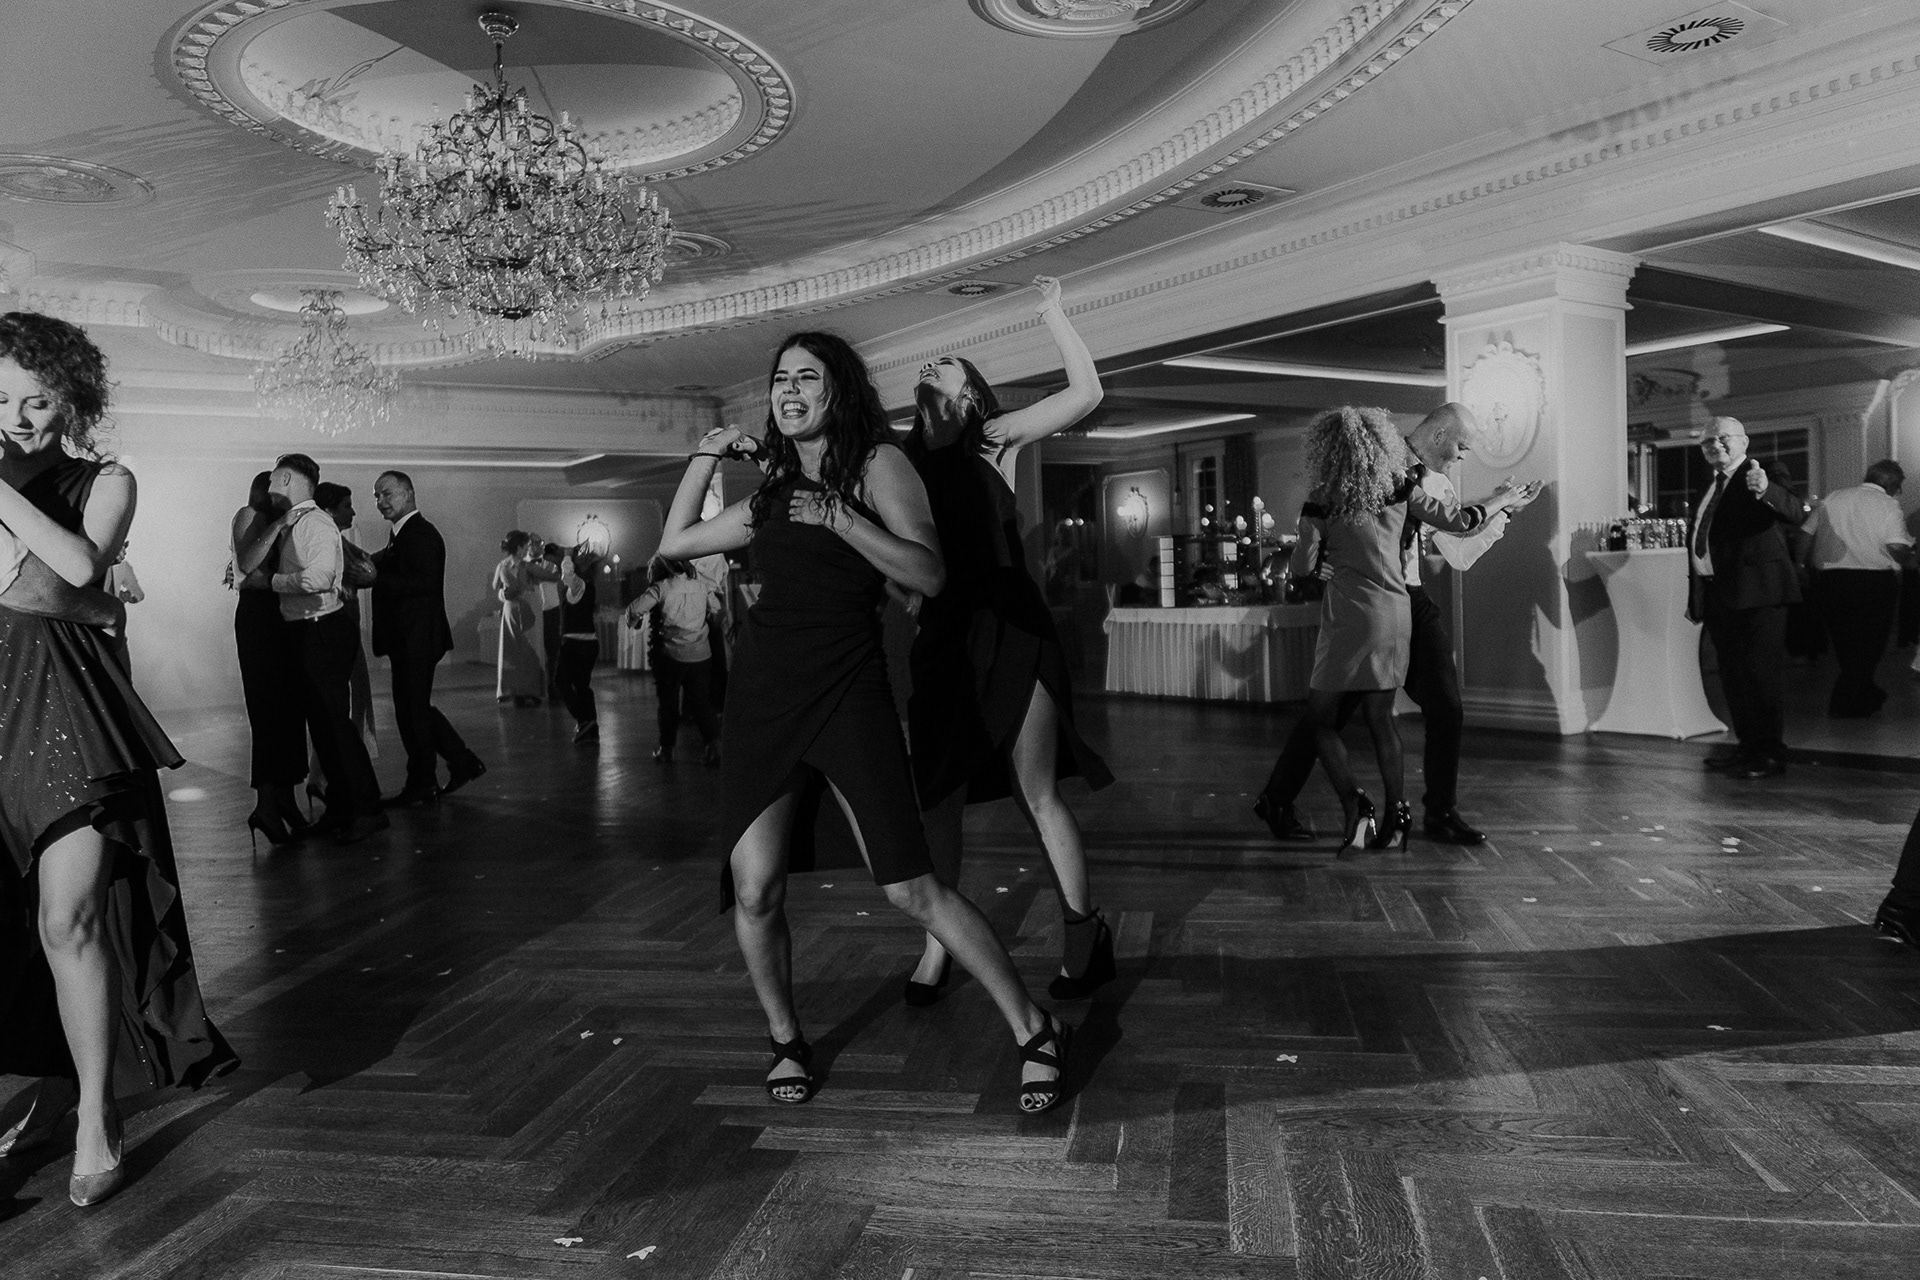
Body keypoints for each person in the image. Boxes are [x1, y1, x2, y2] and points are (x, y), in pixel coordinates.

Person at [656, 330, 1069, 1113]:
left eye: (806, 377)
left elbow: (930, 572)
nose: (788, 389)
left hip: (849, 693)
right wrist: (705, 456)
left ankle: (1035, 1027)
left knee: (911, 887)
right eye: (780, 378)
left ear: (837, 390)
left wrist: (840, 518)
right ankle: (786, 1039)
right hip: (763, 701)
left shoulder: (879, 465)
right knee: (755, 890)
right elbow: (675, 542)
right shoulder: (775, 489)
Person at [0, 310, 238, 1206]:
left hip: (64, 714)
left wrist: (85, 595)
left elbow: (70, 569)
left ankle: (97, 1115)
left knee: (70, 920)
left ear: (71, 398)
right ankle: (54, 1083)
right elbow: (67, 594)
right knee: (18, 929)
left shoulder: (106, 480)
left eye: (36, 399)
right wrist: (91, 603)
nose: (17, 418)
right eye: (0, 401)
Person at [901, 274, 1116, 1006]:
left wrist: (1055, 313)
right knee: (937, 797)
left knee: (1035, 791)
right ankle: (939, 945)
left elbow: (1085, 393)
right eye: (929, 362)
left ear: (970, 395)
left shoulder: (992, 437)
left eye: (945, 364)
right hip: (944, 635)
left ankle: (1085, 935)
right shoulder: (903, 464)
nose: (930, 363)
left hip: (1009, 625)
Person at [1253, 403, 1538, 846]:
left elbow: (1459, 549)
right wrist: (1325, 561)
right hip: (1370, 601)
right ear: (1440, 436)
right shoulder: (1377, 469)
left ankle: (1439, 813)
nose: (1462, 457)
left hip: (1408, 601)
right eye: (1462, 447)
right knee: (1332, 715)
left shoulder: (1434, 483)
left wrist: (1503, 508)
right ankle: (1278, 799)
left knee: (1445, 706)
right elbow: (1322, 539)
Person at [266, 454, 388, 843]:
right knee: (324, 727)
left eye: (273, 479)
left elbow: (320, 577)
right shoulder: (298, 522)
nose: (269, 486)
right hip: (310, 630)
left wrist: (272, 582)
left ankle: (369, 810)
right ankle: (341, 809)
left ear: (287, 479)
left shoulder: (315, 522)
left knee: (335, 726)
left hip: (322, 630)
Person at [1687, 417, 1807, 779]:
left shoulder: (1764, 471)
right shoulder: (1710, 485)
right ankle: (1747, 748)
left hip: (1758, 593)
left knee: (1760, 677)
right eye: (1707, 442)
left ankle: (1770, 754)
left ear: (1744, 441)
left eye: (1723, 438)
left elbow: (1793, 510)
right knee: (1733, 677)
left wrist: (1765, 489)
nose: (1715, 446)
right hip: (1720, 593)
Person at [369, 471, 484, 805]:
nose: (380, 501)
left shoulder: (421, 534)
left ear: (409, 493)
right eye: (376, 496)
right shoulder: (402, 535)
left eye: (387, 493)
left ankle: (425, 780)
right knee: (413, 709)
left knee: (412, 711)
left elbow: (424, 583)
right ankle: (459, 763)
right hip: (410, 637)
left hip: (417, 637)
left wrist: (375, 577)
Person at [229, 468, 310, 846]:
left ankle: (286, 798)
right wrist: (278, 525)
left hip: (283, 616)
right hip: (258, 619)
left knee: (291, 711)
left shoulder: (285, 520)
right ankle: (265, 804)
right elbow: (247, 563)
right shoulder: (249, 515)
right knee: (267, 711)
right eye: (276, 487)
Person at [1803, 460, 1911, 717]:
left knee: (1845, 643)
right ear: (1890, 482)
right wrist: (1908, 555)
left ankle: (1866, 695)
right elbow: (1896, 546)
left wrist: (1800, 565)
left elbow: (1805, 533)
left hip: (1832, 581)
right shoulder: (1887, 504)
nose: (1898, 491)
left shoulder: (1833, 497)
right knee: (1871, 644)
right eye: (1898, 485)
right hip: (1873, 582)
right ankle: (1845, 703)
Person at [626, 554, 723, 764]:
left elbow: (634, 609)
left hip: (672, 655)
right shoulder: (701, 586)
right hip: (700, 654)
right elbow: (717, 610)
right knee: (701, 702)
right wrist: (704, 622)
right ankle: (714, 748)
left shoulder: (661, 588)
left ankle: (667, 749)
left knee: (668, 703)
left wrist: (634, 622)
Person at [315, 481, 378, 759]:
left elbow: (365, 561)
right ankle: (345, 757)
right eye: (347, 506)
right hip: (338, 628)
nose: (352, 512)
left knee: (353, 693)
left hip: (345, 628)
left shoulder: (338, 540)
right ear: (329, 510)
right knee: (348, 695)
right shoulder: (328, 541)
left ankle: (338, 760)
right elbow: (360, 567)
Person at [554, 544, 601, 743]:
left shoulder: (578, 584)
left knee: (560, 681)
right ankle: (590, 728)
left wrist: (566, 556)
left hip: (575, 644)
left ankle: (584, 719)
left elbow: (566, 574)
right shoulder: (587, 586)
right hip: (588, 644)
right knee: (582, 687)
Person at [492, 530, 544, 706]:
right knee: (514, 650)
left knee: (529, 649)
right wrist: (504, 594)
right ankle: (516, 692)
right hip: (513, 609)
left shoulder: (527, 566)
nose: (528, 549)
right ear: (520, 547)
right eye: (526, 546)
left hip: (527, 609)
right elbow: (496, 588)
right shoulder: (504, 566)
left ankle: (530, 691)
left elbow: (536, 589)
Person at [531, 538, 565, 700]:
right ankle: (535, 689)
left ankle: (554, 687)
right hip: (536, 611)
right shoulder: (526, 565)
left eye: (541, 543)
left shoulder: (550, 565)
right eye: (536, 543)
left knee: (554, 650)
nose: (540, 545)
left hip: (552, 610)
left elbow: (557, 576)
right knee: (536, 650)